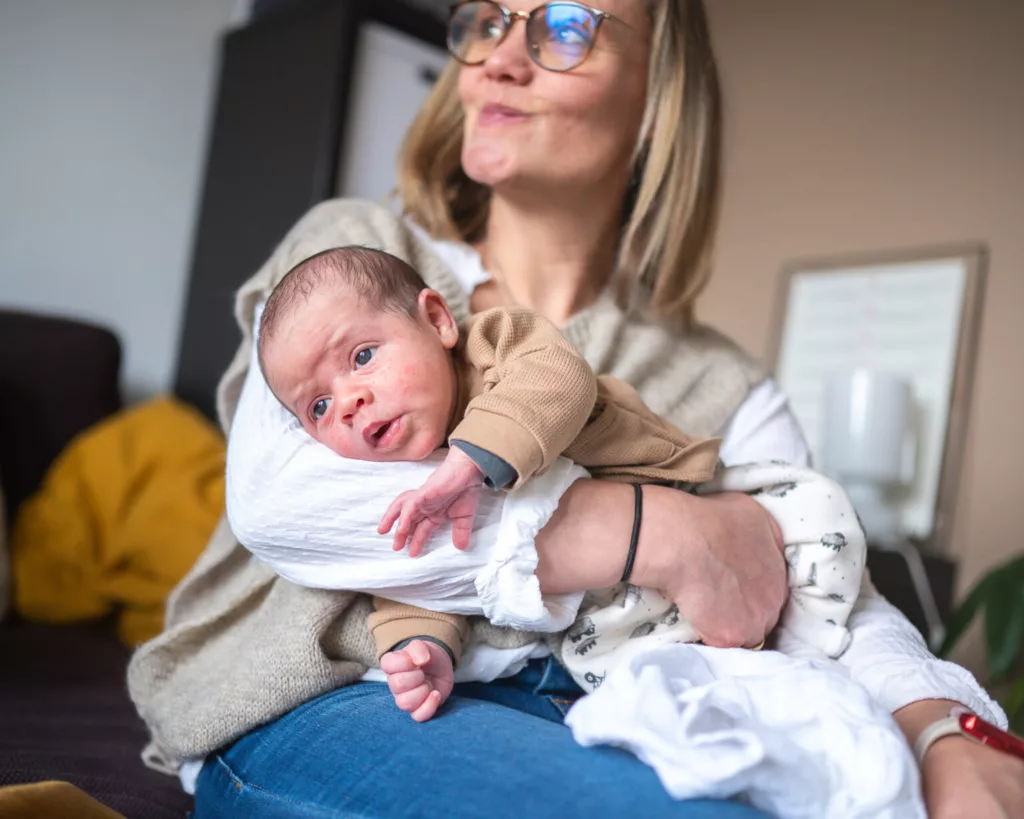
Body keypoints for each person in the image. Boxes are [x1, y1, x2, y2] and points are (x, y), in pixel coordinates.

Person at [127, 2, 1021, 817]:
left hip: (606, 695)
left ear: (658, 95)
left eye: (561, 26)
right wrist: (654, 530)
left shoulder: (723, 380)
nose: (500, 59)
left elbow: (830, 593)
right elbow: (284, 505)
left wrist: (939, 736)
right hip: (336, 694)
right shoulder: (355, 258)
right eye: (485, 20)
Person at [253, 244, 866, 724]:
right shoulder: (388, 484)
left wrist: (469, 462)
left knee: (810, 513)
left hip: (680, 493)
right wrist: (422, 649)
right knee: (662, 689)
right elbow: (416, 577)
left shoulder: (496, 346)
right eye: (318, 409)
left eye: (361, 357)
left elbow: (555, 380)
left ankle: (804, 656)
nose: (352, 401)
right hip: (615, 620)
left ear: (437, 321)